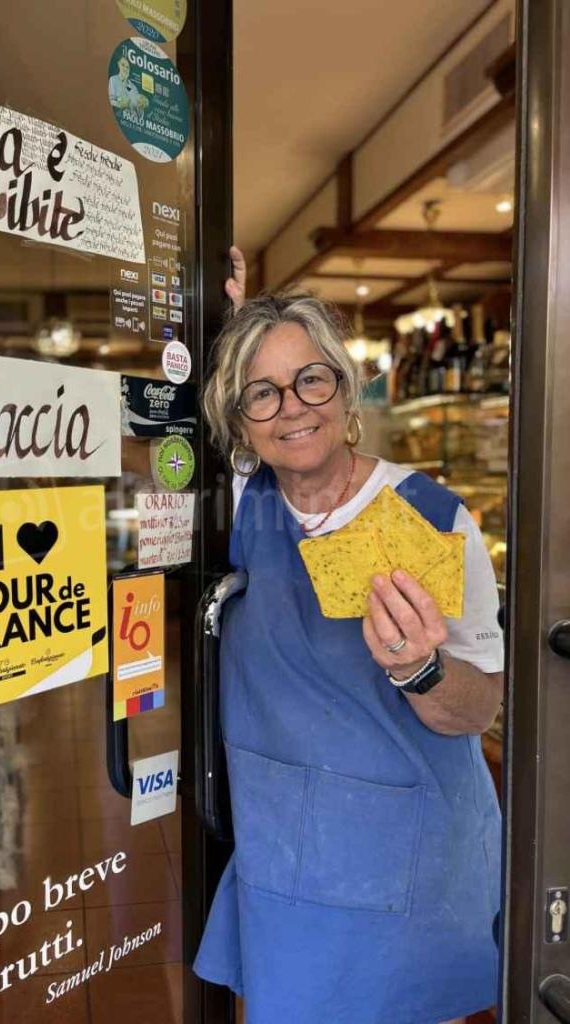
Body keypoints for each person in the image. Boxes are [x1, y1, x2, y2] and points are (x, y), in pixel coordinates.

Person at [193, 258, 504, 1024]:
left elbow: (480, 709)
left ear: (345, 388)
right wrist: (211, 292)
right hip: (285, 857)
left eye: (312, 380)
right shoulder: (246, 501)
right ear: (241, 422)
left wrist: (422, 669)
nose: (292, 408)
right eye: (263, 394)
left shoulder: (432, 519)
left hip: (410, 864)